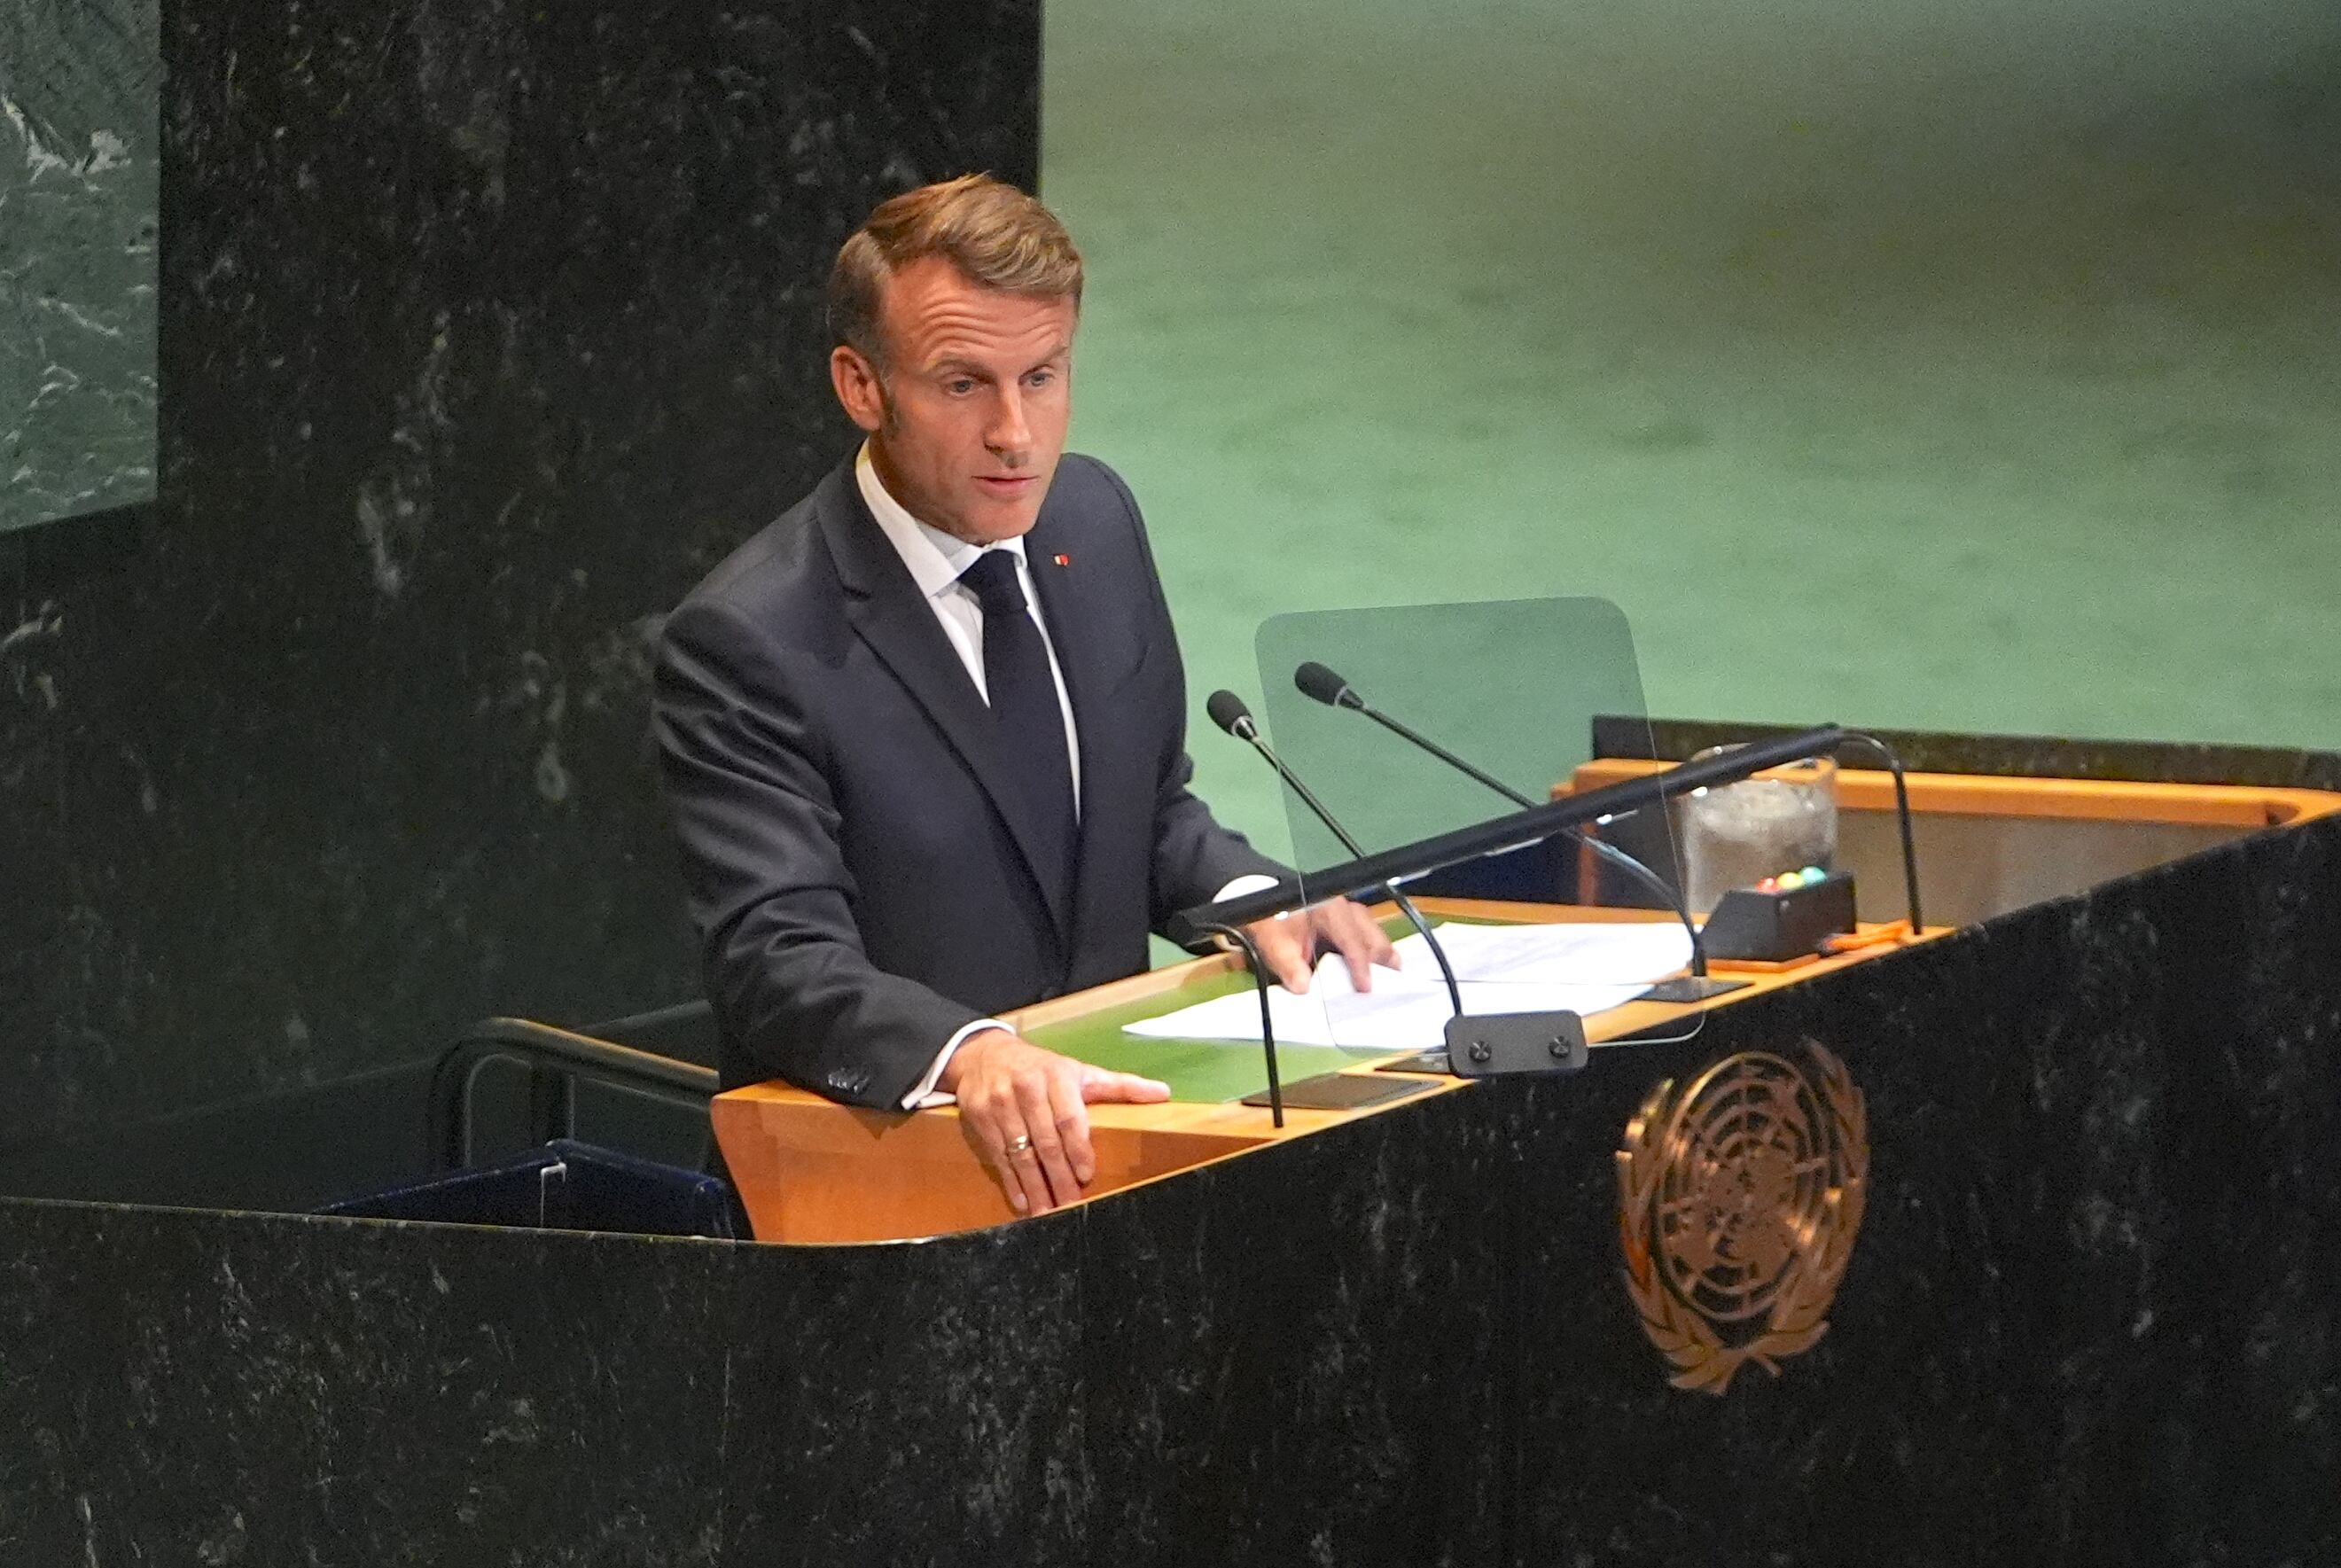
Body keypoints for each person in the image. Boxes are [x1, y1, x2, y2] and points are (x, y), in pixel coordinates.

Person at [654, 175, 1394, 1216]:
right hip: (881, 1189)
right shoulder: (755, 635)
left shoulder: (1091, 517)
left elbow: (1144, 806)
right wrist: (969, 1054)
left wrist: (1255, 901)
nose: (1017, 433)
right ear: (861, 387)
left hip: (1118, 1151)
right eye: (964, 385)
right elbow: (778, 957)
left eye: (1042, 376)